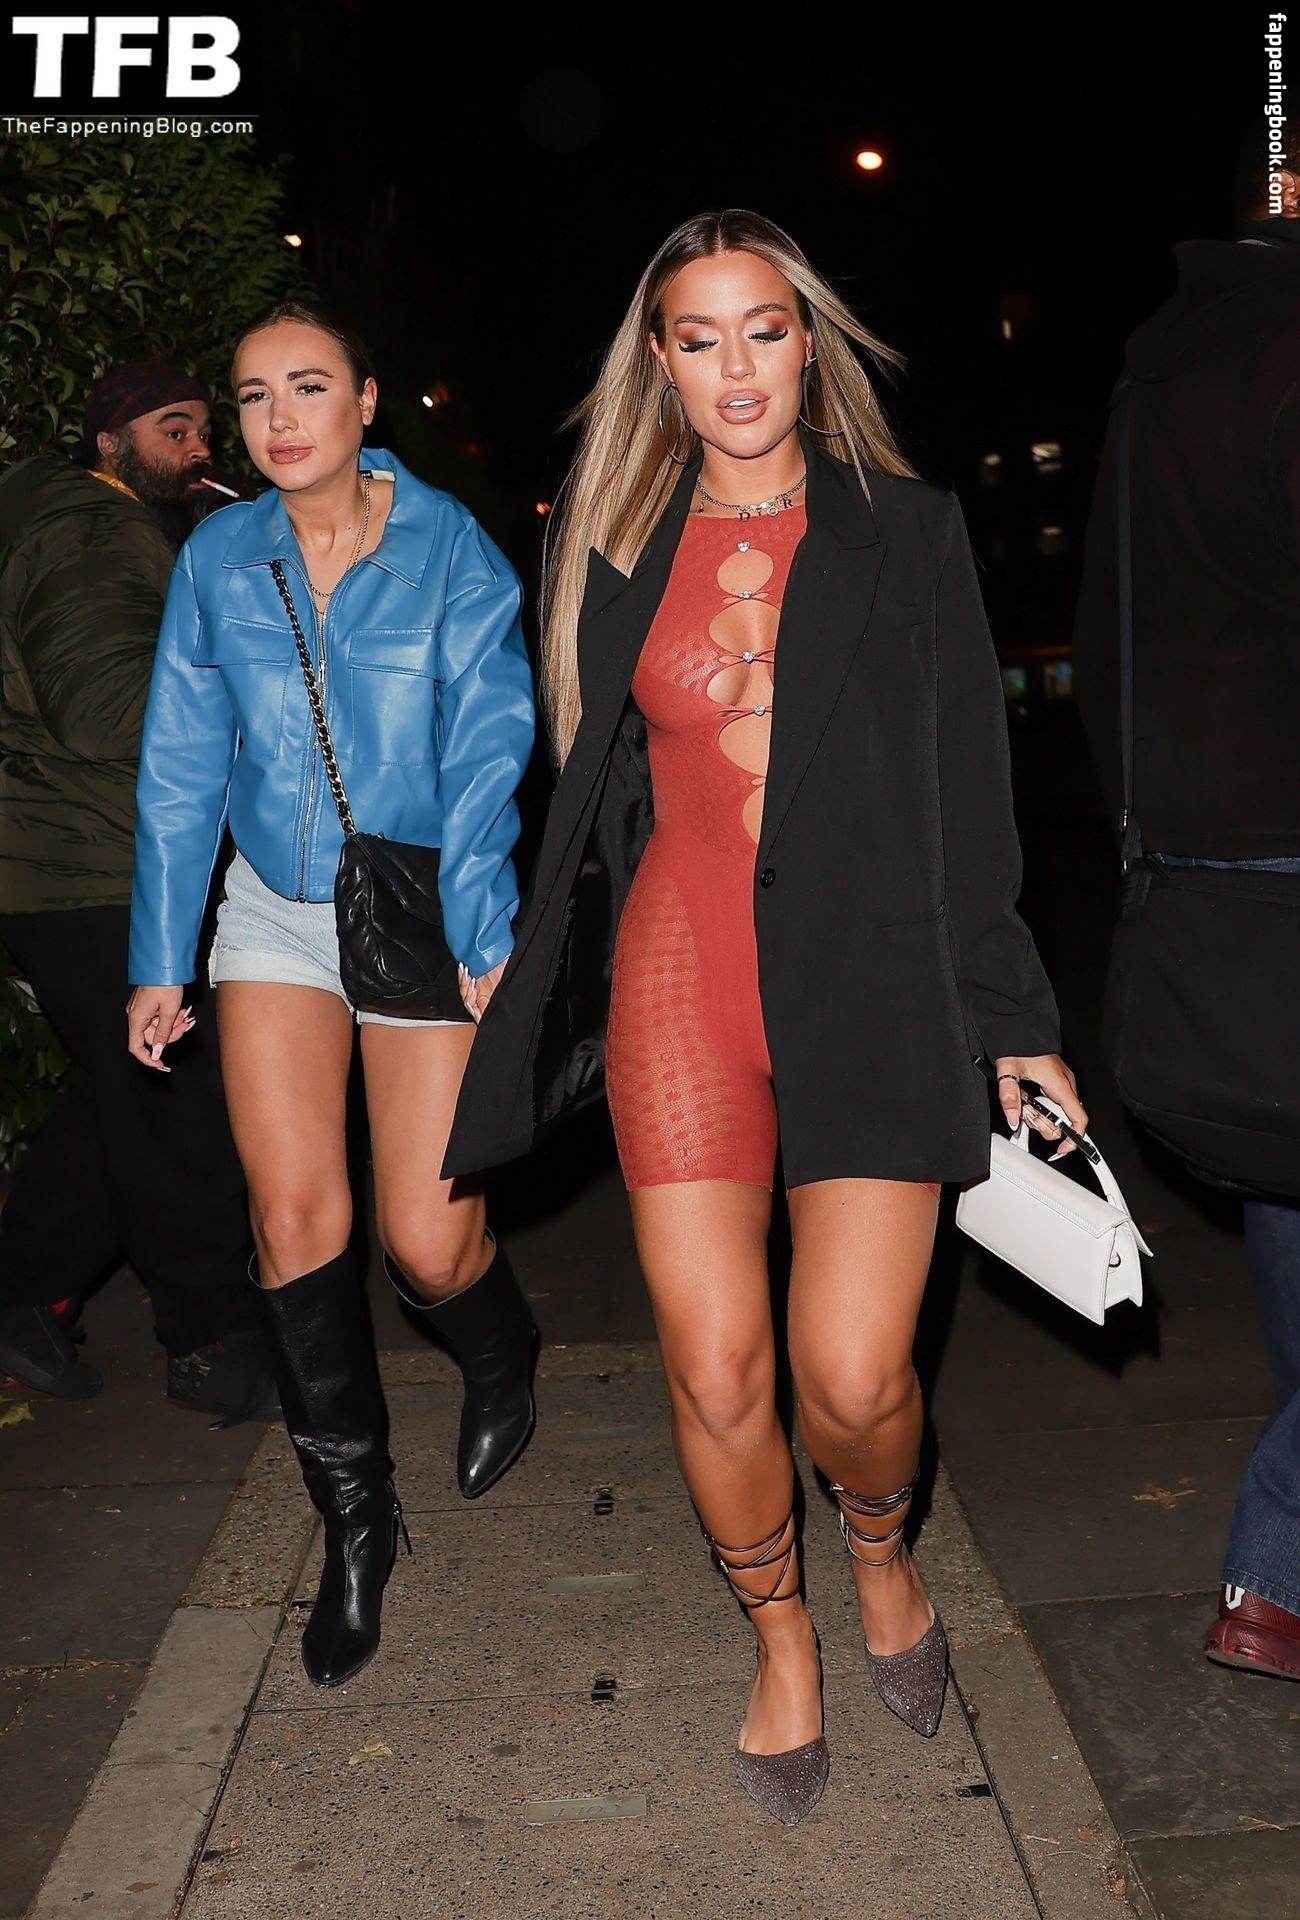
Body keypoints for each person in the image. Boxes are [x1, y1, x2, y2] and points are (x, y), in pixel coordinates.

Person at [444, 210, 1086, 1822]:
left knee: (854, 1381)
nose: (735, 367)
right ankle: (781, 1634)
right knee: (720, 1367)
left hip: (874, 977)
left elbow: (971, 798)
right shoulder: (611, 545)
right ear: (659, 365)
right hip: (684, 979)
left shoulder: (910, 531)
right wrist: (518, 945)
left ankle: (880, 1549)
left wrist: (1014, 1017)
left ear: (810, 344)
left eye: (764, 329)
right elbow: (588, 792)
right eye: (698, 337)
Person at [126, 303, 538, 1689]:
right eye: (253, 396)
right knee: (296, 1221)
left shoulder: (449, 548)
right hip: (273, 918)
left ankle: (500, 1344)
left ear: (367, 401)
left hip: (416, 907)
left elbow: (490, 746)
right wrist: (160, 954)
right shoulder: (218, 558)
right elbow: (182, 760)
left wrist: (484, 927)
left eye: (308, 387)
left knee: (427, 1244)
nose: (280, 418)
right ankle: (356, 1522)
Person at [1074, 119, 1300, 1682]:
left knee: (1293, 1197)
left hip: (1214, 883)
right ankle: (1273, 1564)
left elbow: (1108, 639)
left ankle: (1285, 1588)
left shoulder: (1153, 378)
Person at [0, 362, 275, 1423]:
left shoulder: (110, 527)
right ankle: (210, 1342)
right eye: (172, 429)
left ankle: (21, 1293)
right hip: (96, 862)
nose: (200, 446)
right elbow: (108, 709)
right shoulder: (89, 529)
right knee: (178, 1107)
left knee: (125, 1094)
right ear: (108, 440)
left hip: (76, 860)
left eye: (204, 428)